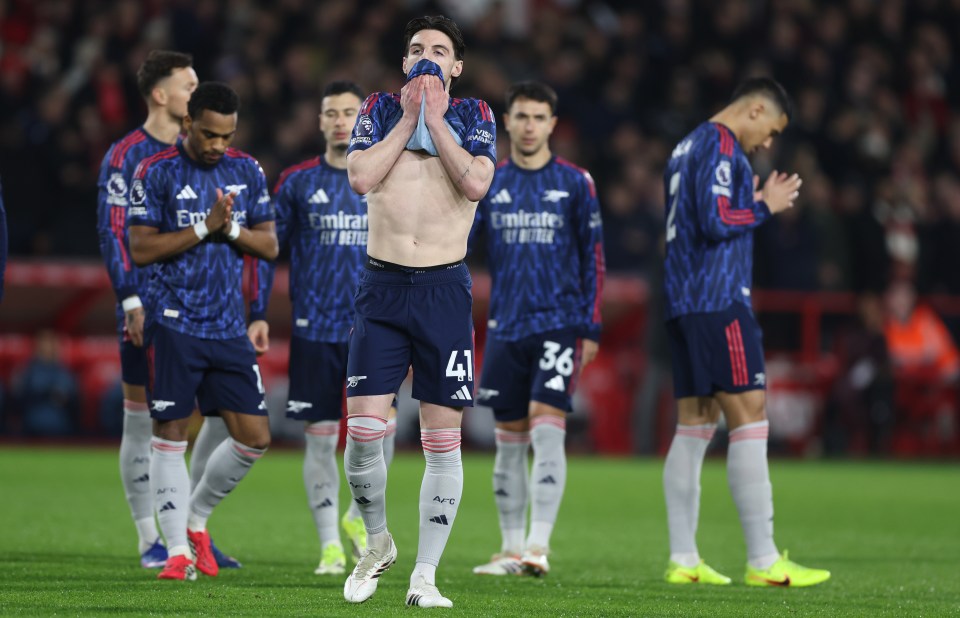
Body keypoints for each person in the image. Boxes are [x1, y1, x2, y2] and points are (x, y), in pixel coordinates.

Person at [341, 15, 496, 608]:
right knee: (362, 433)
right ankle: (377, 542)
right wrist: (410, 117)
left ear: (457, 65)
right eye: (416, 49)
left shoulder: (475, 115)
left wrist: (435, 118)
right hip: (381, 286)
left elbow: (476, 184)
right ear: (404, 62)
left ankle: (424, 576)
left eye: (439, 49)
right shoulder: (380, 108)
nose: (427, 57)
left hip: (442, 290)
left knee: (442, 441)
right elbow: (360, 177)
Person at [661, 77, 830, 587]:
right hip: (719, 301)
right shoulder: (720, 144)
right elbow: (716, 221)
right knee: (750, 414)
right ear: (755, 110)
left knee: (695, 425)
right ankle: (764, 560)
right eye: (772, 130)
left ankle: (683, 559)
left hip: (685, 302)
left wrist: (744, 198)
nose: (769, 142)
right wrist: (764, 206)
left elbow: (701, 214)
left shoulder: (687, 144)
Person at [127, 81, 278, 581]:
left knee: (254, 437)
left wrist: (228, 228)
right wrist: (203, 227)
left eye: (226, 136)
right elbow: (141, 249)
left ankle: (194, 519)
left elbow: (269, 246)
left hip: (228, 327)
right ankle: (176, 553)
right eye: (210, 135)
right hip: (174, 322)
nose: (218, 145)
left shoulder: (247, 170)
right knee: (170, 433)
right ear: (188, 123)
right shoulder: (155, 171)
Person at [250, 80, 400, 575]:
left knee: (382, 431)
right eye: (331, 113)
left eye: (349, 113)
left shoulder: (386, 175)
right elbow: (268, 250)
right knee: (320, 438)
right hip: (315, 328)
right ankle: (330, 547)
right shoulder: (296, 182)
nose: (340, 121)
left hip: (375, 329)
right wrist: (256, 310)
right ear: (319, 122)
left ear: (364, 120)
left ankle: (357, 517)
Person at [469, 81, 604, 577]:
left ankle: (538, 546)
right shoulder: (490, 182)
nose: (529, 126)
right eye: (521, 117)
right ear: (507, 122)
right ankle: (510, 548)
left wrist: (590, 326)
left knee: (547, 426)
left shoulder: (575, 183)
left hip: (558, 323)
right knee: (508, 437)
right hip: (505, 326)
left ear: (552, 125)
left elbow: (594, 258)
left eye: (538, 118)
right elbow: (463, 245)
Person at [95, 50, 197, 568]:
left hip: (197, 310)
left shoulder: (196, 148)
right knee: (142, 423)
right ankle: (148, 538)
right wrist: (130, 299)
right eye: (188, 86)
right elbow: (113, 232)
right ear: (160, 94)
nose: (195, 94)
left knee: (200, 422)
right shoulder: (126, 155)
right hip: (146, 308)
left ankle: (189, 531)